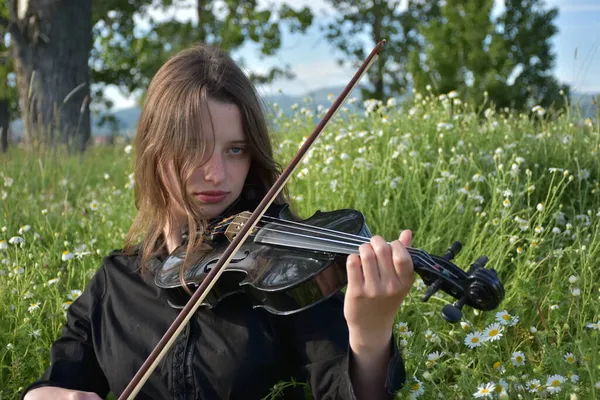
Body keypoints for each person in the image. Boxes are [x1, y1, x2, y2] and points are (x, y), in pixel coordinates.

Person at [21, 43, 414, 400]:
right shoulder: (115, 282)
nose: (217, 174)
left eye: (236, 150)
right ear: (156, 151)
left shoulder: (283, 272)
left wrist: (370, 335)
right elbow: (59, 379)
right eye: (195, 147)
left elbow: (341, 389)